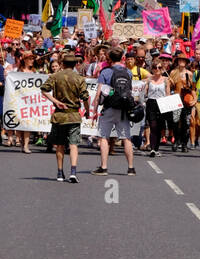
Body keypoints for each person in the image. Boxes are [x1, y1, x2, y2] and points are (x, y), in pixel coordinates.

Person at [41, 51, 89, 182]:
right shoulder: (79, 78)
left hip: (59, 115)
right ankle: (73, 171)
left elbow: (44, 89)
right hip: (73, 115)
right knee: (74, 144)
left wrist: (55, 101)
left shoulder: (55, 76)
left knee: (60, 144)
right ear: (75, 64)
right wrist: (88, 111)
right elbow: (85, 97)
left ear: (62, 63)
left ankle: (60, 172)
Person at [93, 46, 137, 176]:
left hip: (109, 108)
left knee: (104, 137)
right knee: (126, 138)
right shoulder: (128, 72)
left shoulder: (105, 72)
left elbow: (99, 93)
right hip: (123, 109)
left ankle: (104, 167)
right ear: (122, 58)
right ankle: (130, 168)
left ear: (109, 58)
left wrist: (95, 110)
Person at [144, 56, 170, 156]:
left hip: (162, 103)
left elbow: (167, 94)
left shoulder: (166, 80)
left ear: (162, 69)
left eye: (159, 68)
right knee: (152, 125)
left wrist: (169, 105)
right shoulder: (149, 80)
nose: (157, 70)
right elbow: (144, 91)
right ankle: (152, 148)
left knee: (159, 126)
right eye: (155, 68)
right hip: (151, 103)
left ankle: (156, 148)